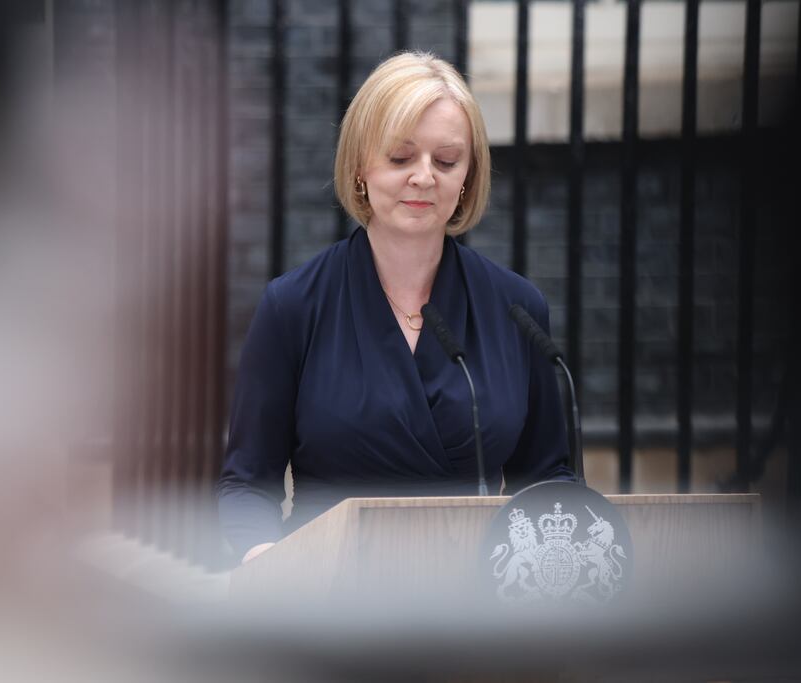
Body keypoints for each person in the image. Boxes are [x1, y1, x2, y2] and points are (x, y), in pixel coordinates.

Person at [216, 52, 573, 564]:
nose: (424, 177)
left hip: (473, 593)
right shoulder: (293, 306)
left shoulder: (517, 308)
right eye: (401, 158)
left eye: (446, 161)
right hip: (330, 589)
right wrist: (265, 560)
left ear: (468, 175)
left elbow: (546, 481)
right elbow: (248, 484)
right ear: (360, 166)